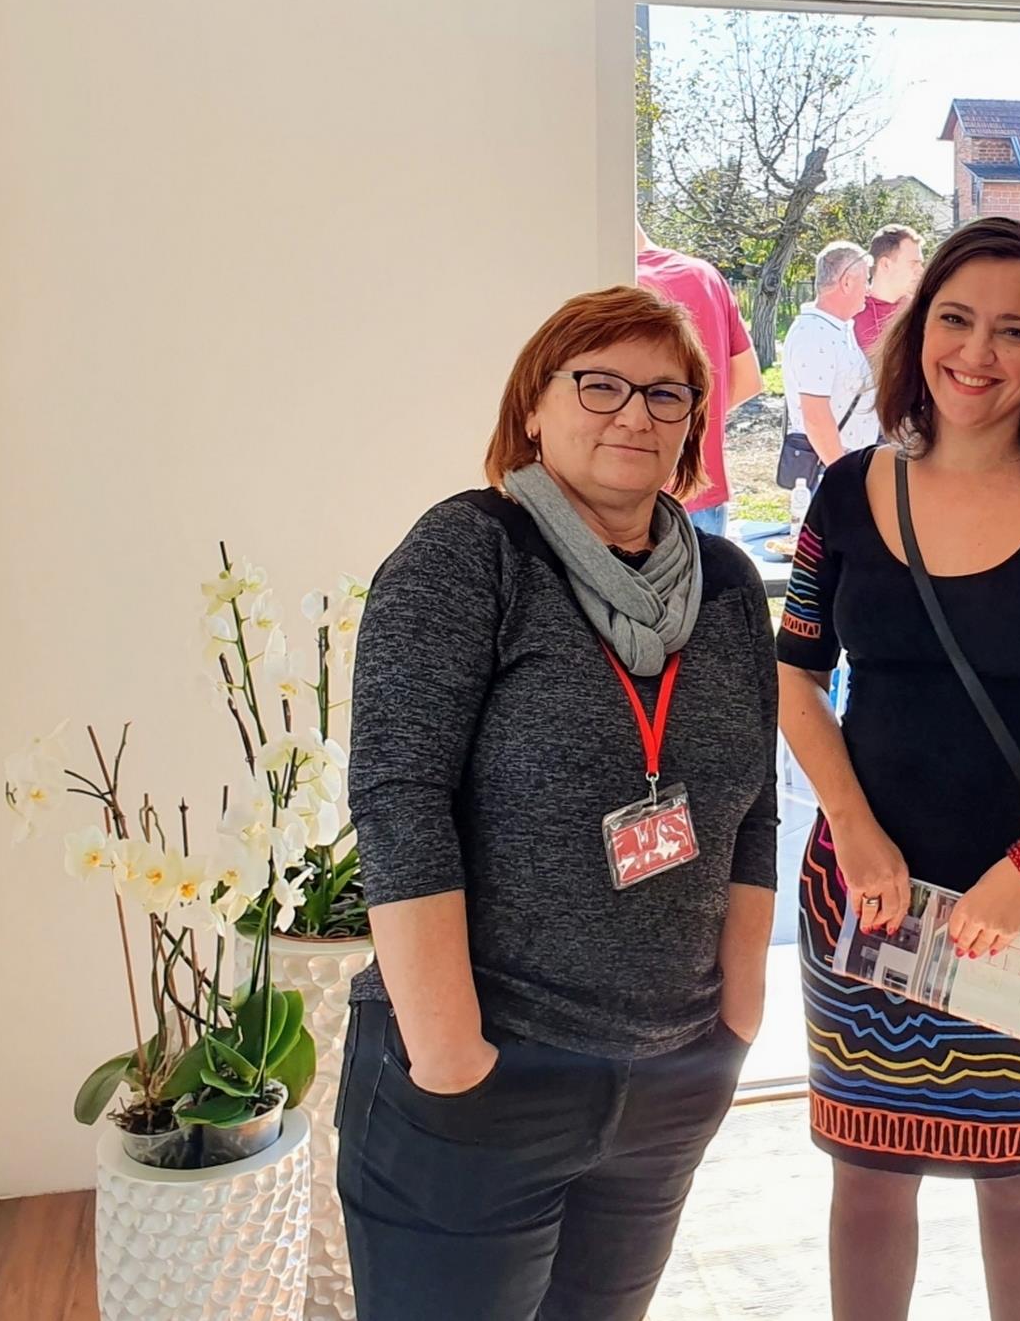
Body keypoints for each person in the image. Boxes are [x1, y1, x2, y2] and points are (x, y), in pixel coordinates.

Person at [340, 285, 780, 1321]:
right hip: (488, 1071)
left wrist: (738, 1015)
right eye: (600, 384)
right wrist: (450, 1050)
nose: (634, 413)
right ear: (534, 405)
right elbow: (400, 798)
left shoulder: (724, 584)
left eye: (665, 394)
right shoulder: (469, 551)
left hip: (670, 1080)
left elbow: (753, 807)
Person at [778, 217, 1020, 1321]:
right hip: (861, 893)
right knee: (868, 1172)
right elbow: (795, 675)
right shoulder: (846, 490)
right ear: (918, 332)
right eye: (955, 319)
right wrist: (853, 830)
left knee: (1018, 1170)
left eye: (1013, 329)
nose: (976, 351)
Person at [637, 223, 767, 535]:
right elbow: (749, 380)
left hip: (637, 503)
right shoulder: (705, 275)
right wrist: (689, 419)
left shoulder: (617, 282)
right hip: (704, 491)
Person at [784, 241, 880, 482]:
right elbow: (816, 418)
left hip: (839, 465)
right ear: (846, 282)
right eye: (866, 280)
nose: (868, 290)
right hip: (830, 472)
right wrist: (845, 478)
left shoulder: (834, 328)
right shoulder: (814, 334)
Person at [853, 223, 927, 359]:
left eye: (920, 263)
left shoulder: (922, 313)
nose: (921, 271)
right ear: (885, 264)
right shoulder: (850, 314)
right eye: (913, 263)